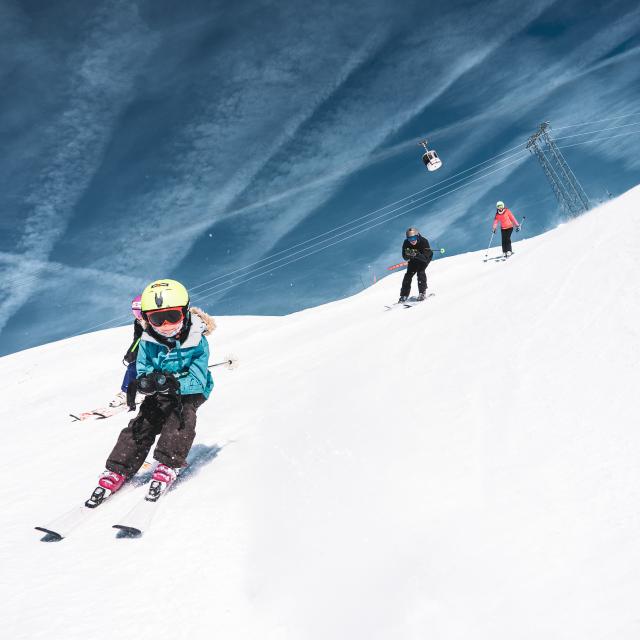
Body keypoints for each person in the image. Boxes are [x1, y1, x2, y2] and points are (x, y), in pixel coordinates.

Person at [87, 279, 216, 506]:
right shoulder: (147, 340)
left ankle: (169, 463)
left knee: (180, 417)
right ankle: (119, 468)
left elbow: (197, 378)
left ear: (185, 312)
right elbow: (144, 367)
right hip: (161, 388)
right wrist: (145, 381)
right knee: (143, 422)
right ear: (146, 318)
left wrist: (174, 384)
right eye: (157, 318)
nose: (165, 324)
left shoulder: (198, 341)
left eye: (172, 316)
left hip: (192, 390)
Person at [109, 295, 144, 410]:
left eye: (140, 313)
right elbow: (137, 339)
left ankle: (142, 391)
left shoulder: (157, 321)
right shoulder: (138, 323)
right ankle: (125, 392)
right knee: (132, 365)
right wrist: (131, 353)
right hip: (145, 348)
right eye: (136, 313)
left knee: (147, 364)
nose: (139, 317)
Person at [398, 227, 433, 303]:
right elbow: (404, 257)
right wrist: (409, 254)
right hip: (414, 259)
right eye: (410, 239)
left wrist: (417, 254)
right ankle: (404, 295)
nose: (412, 241)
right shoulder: (406, 243)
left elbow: (425, 258)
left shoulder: (424, 241)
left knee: (420, 272)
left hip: (424, 258)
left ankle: (422, 292)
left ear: (417, 236)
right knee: (408, 275)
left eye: (414, 238)